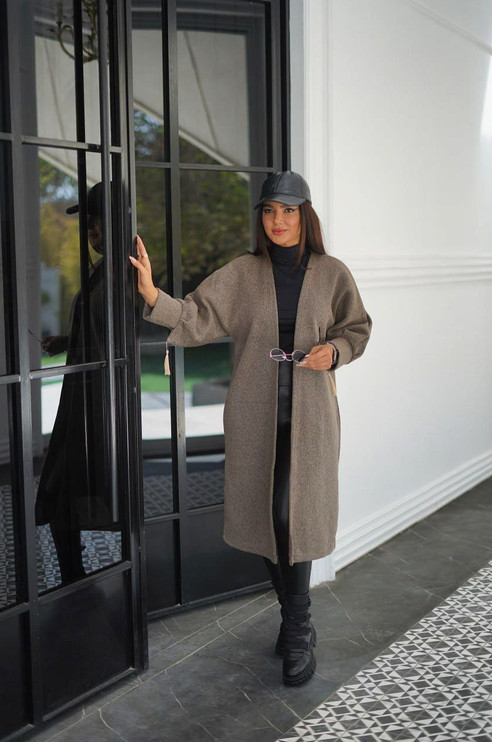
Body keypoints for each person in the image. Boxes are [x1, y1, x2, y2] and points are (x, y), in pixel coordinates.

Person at [130, 171, 372, 686]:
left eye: (288, 211)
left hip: (311, 416)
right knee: (267, 518)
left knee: (294, 517)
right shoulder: (243, 272)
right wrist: (152, 294)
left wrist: (334, 351)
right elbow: (196, 316)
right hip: (253, 414)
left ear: (305, 215)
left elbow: (357, 328)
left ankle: (298, 629)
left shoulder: (332, 273)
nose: (277, 221)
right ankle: (294, 620)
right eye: (269, 210)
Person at [35, 183, 112, 585]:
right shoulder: (102, 270)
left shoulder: (128, 272)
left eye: (94, 221)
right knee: (62, 483)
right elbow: (100, 329)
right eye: (88, 223)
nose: (89, 230)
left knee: (69, 483)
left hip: (101, 400)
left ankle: (74, 577)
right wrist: (68, 341)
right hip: (81, 394)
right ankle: (72, 574)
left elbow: (123, 336)